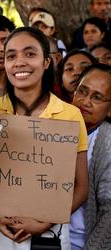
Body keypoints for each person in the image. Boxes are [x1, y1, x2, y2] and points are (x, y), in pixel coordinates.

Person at [0, 27, 88, 250]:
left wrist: (45, 221)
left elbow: (81, 186)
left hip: (50, 231)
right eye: (11, 56)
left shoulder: (70, 115)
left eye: (30, 54)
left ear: (46, 62)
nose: (19, 62)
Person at [71, 63, 111, 249]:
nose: (85, 102)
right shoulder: (51, 128)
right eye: (82, 91)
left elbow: (109, 213)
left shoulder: (107, 142)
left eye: (97, 97)